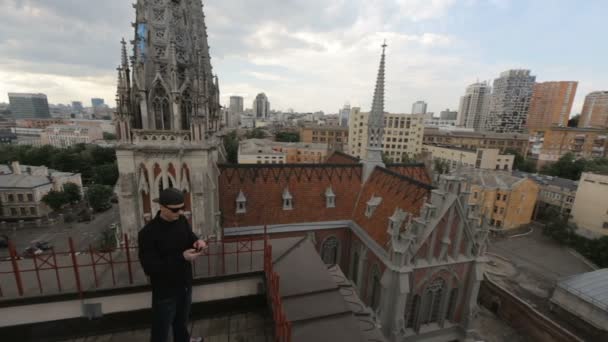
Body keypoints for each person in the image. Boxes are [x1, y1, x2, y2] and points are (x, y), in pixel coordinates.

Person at [138, 188, 207, 342]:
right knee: (161, 329)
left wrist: (198, 241)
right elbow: (150, 268)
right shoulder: (147, 233)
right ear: (162, 207)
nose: (180, 212)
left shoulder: (181, 220)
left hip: (185, 284)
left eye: (182, 208)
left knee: (181, 323)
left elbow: (189, 237)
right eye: (175, 210)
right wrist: (181, 257)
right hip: (165, 290)